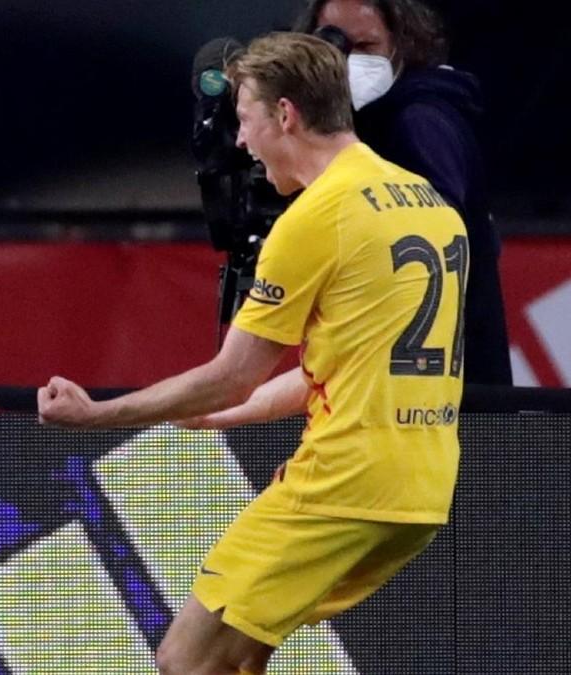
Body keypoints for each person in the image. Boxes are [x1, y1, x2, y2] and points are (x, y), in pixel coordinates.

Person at [39, 32, 465, 674]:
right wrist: (225, 418)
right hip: (423, 489)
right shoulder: (429, 204)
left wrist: (96, 416)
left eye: (245, 119)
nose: (240, 142)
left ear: (285, 115)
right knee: (241, 656)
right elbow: (349, 367)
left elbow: (231, 376)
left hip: (344, 482)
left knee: (188, 657)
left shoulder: (317, 217)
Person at [296, 0, 512, 385]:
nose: (347, 60)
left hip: (454, 388)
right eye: (333, 45)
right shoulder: (361, 125)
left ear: (402, 46)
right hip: (400, 380)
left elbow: (440, 241)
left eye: (366, 47)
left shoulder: (420, 121)